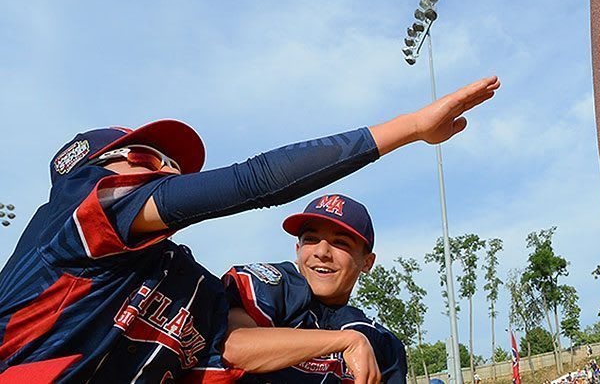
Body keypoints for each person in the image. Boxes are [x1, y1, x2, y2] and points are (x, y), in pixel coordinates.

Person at [0, 76, 499, 382]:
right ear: (90, 174)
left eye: (175, 164)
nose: (169, 171)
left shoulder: (182, 277)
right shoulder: (75, 219)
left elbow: (232, 343)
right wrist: (411, 128)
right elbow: (254, 181)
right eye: (145, 157)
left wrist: (344, 341)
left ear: (368, 260)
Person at [222, 194, 406, 383]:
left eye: (340, 242)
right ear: (298, 250)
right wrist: (348, 341)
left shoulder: (381, 342)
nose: (321, 252)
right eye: (311, 239)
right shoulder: (276, 286)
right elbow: (233, 347)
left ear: (367, 262)